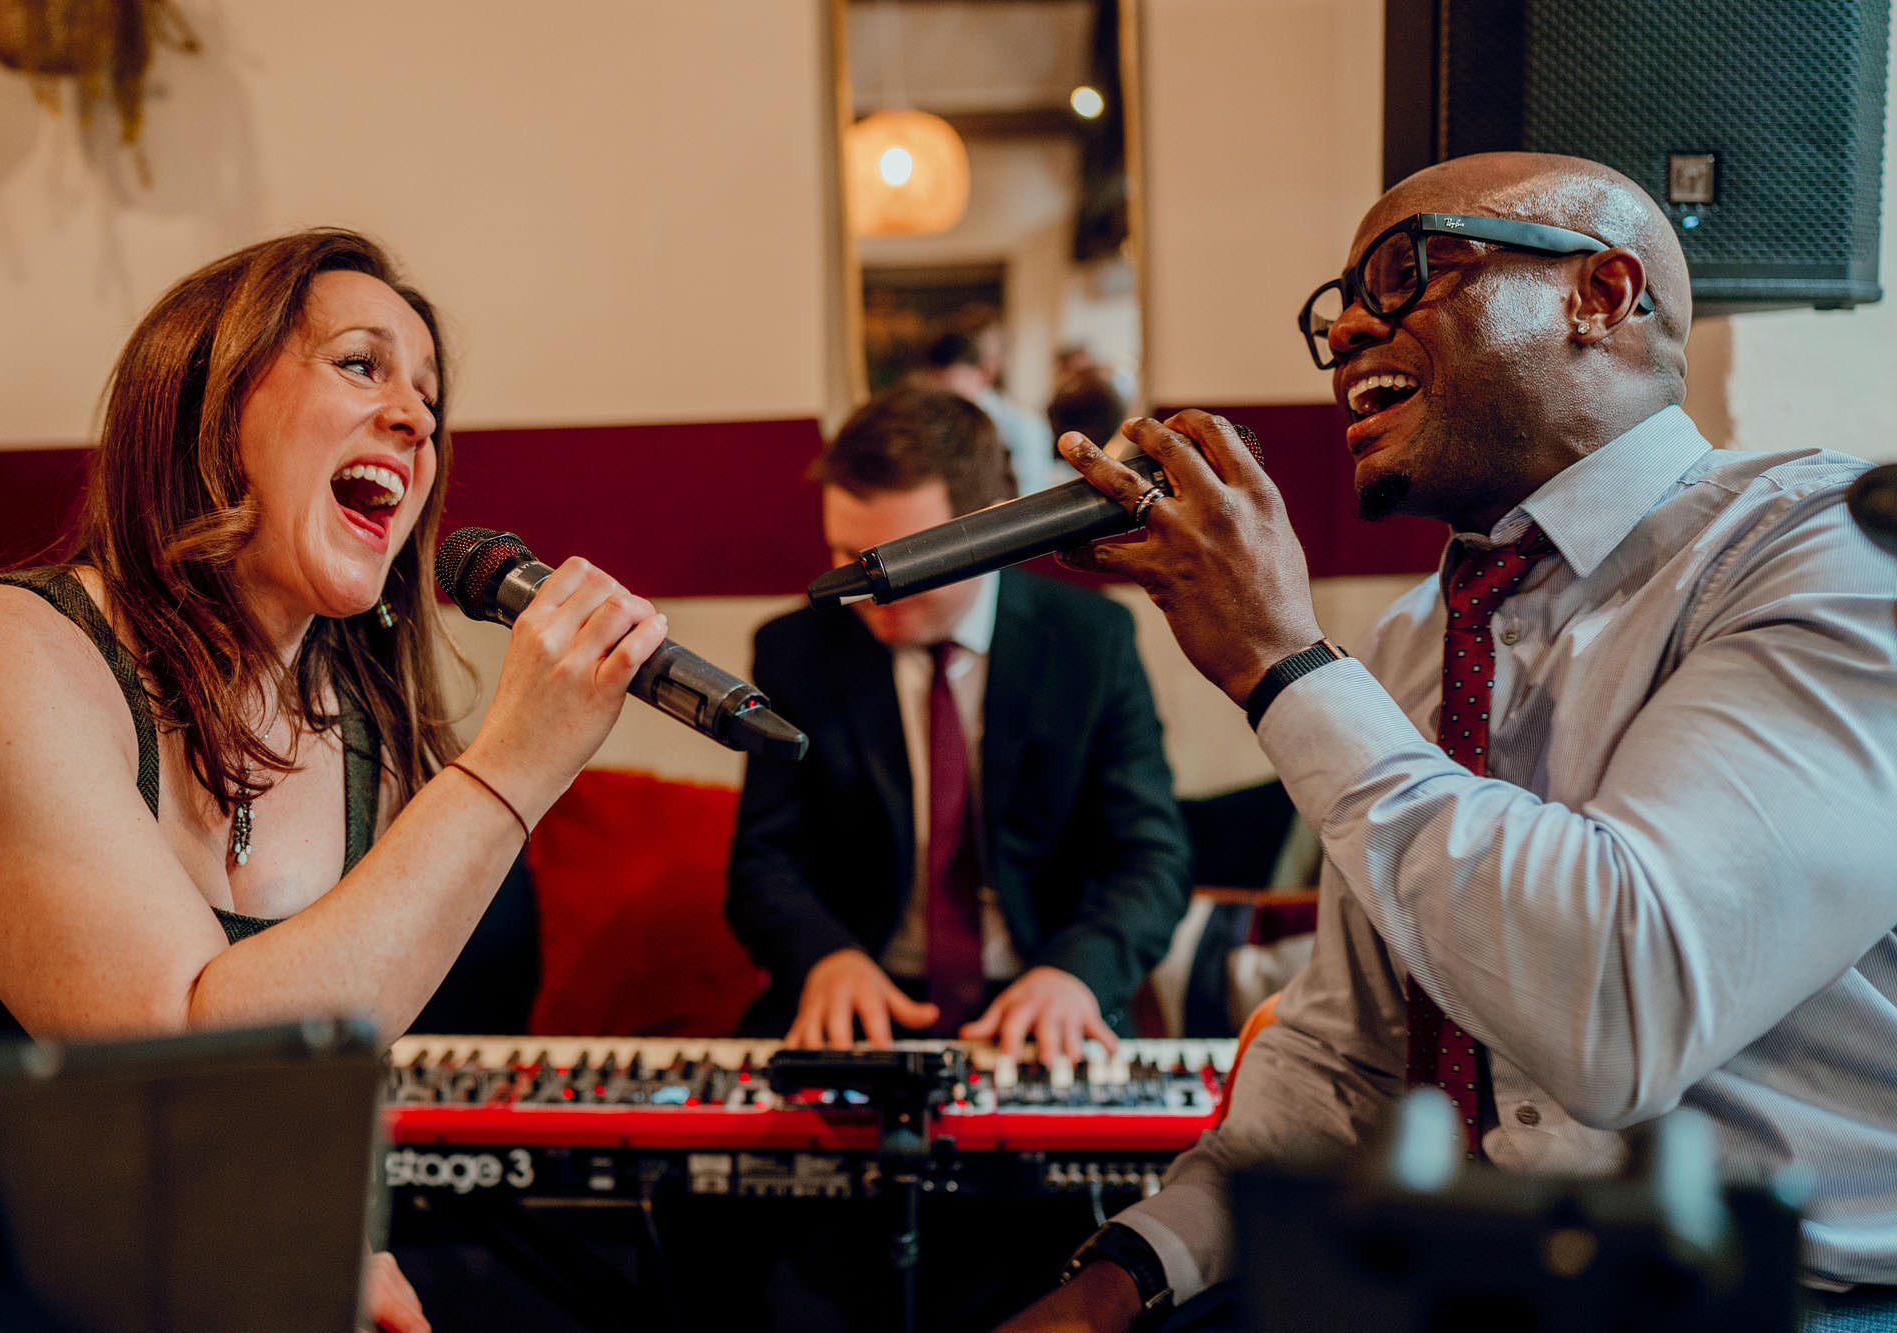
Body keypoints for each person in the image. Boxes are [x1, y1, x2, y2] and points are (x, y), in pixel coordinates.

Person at [1002, 151, 1897, 1330]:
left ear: (1601, 294)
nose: (1353, 330)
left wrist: (1282, 669)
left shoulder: (1824, 556)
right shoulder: (1414, 638)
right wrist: (1123, 1273)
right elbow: (1356, 1056)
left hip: (1801, 1302)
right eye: (1338, 312)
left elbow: (1622, 1005)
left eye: (1406, 270)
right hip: (1477, 1277)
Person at [0, 229, 668, 1331]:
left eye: (429, 399)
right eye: (361, 364)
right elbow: (188, 1071)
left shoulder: (373, 732)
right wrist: (513, 765)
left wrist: (330, 1249)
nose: (414, 418)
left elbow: (325, 1102)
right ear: (209, 408)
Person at [726, 383, 1190, 1064]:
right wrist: (823, 958)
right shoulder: (794, 650)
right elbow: (763, 863)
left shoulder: (1091, 640)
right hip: (858, 998)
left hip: (1044, 995)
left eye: (899, 563)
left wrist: (1077, 972)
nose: (866, 590)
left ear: (992, 527)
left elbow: (1153, 856)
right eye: (845, 555)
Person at [918, 328, 1062, 497]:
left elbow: (1030, 500)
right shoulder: (937, 423)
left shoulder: (1023, 427)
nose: (944, 397)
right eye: (935, 384)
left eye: (950, 384)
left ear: (980, 375)